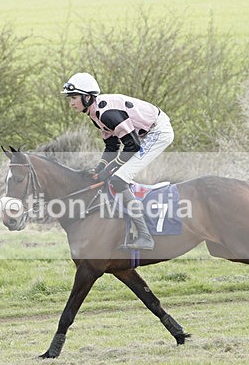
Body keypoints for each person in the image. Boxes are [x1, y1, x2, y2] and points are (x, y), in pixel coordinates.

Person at [62, 72, 175, 251]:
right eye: (71, 98)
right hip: (144, 135)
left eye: (74, 97)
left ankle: (145, 236)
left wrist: (108, 171)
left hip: (158, 132)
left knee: (119, 179)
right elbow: (112, 146)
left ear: (87, 97)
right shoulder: (95, 114)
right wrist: (99, 168)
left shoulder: (107, 114)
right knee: (115, 176)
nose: (71, 103)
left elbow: (132, 145)